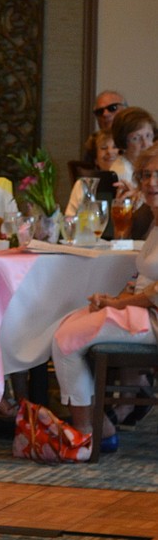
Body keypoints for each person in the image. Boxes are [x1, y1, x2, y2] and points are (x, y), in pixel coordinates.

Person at [53, 142, 158, 453]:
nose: (152, 183)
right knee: (69, 320)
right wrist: (113, 298)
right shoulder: (153, 219)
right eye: (146, 175)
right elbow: (144, 278)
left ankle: (87, 433)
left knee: (66, 340)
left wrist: (117, 304)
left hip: (153, 320)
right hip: (144, 312)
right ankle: (100, 428)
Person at [65, 129, 133, 219]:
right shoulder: (84, 185)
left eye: (115, 147)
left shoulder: (131, 184)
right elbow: (69, 219)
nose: (110, 152)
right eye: (104, 148)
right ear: (95, 159)